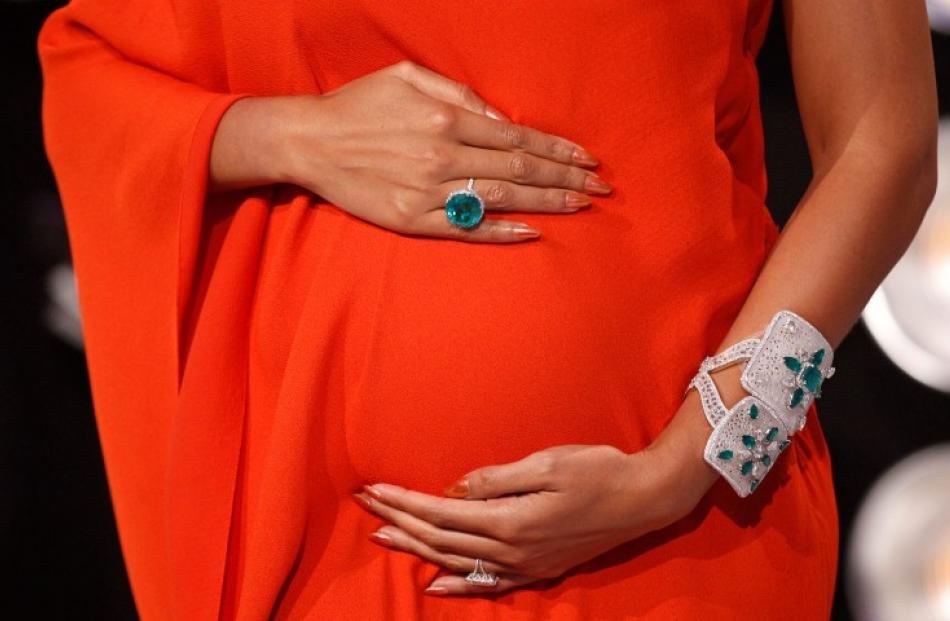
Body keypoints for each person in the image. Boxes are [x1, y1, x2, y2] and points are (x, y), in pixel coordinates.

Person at [38, 0, 937, 618]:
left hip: (681, 543)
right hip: (343, 549)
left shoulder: (680, 491)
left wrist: (687, 462)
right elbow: (91, 78)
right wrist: (294, 135)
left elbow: (884, 142)